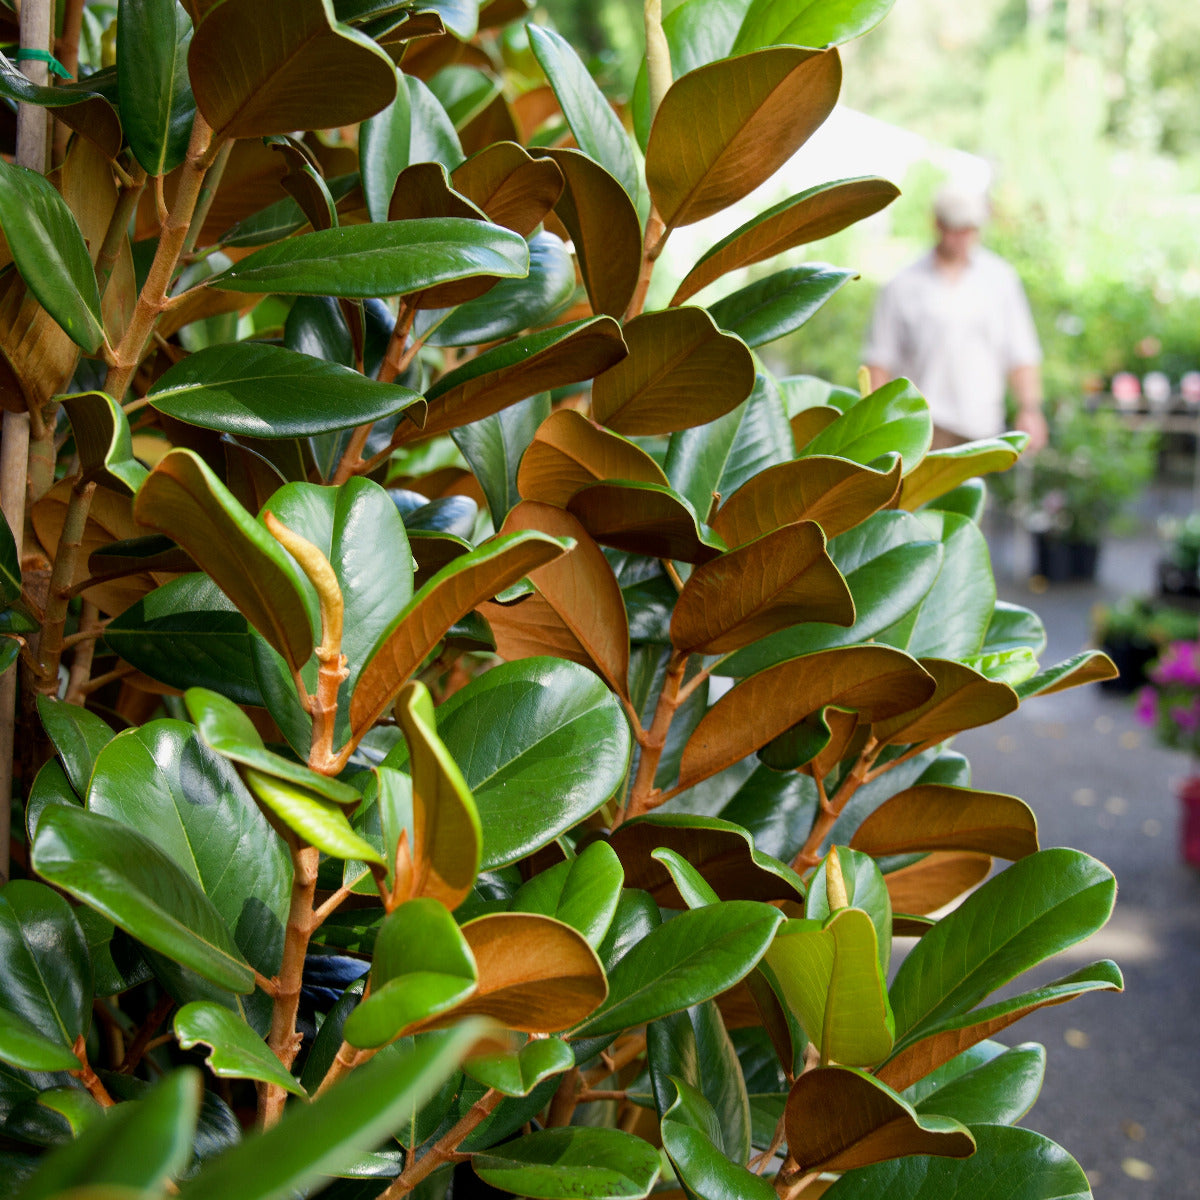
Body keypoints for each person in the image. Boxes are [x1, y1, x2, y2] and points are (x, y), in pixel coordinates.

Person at [863, 185, 1048, 452]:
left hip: (983, 428)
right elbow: (879, 360)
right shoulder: (902, 285)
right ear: (937, 224)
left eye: (970, 229)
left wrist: (1030, 409)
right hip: (923, 429)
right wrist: (874, 426)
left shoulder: (1000, 279)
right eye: (956, 228)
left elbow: (1021, 352)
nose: (963, 238)